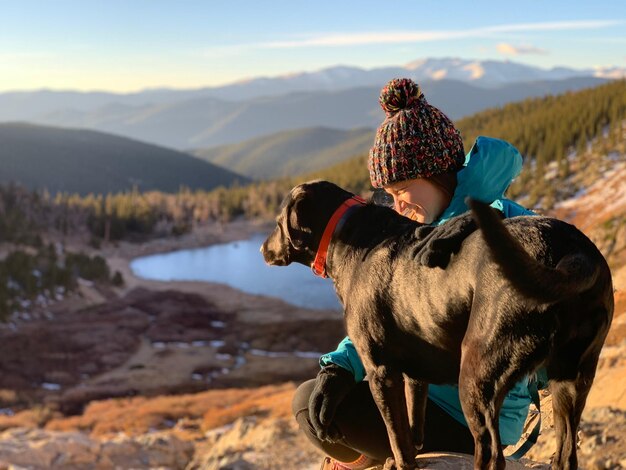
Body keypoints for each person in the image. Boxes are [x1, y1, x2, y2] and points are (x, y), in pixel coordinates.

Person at [291, 78, 547, 470]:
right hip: (426, 399)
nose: (397, 207)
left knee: (325, 412)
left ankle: (367, 462)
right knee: (313, 401)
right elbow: (384, 319)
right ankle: (372, 458)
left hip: (471, 416)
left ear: (440, 174)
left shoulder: (500, 231)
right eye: (388, 196)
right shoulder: (417, 234)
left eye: (404, 189)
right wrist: (342, 365)